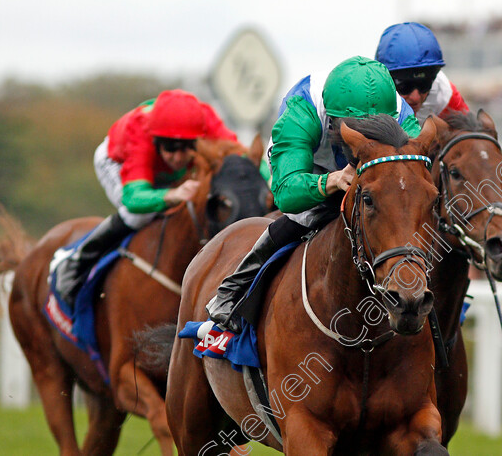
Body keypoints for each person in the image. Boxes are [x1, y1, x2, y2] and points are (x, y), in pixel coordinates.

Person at [208, 56, 420, 333]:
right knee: (307, 215)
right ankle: (232, 292)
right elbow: (285, 193)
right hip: (312, 165)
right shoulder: (301, 110)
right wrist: (330, 181)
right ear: (332, 121)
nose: (360, 145)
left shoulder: (402, 116)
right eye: (354, 134)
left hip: (373, 171)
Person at [54, 89, 237, 307]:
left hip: (162, 170)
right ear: (156, 140)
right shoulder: (140, 132)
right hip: (117, 161)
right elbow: (133, 198)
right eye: (170, 148)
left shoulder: (208, 120)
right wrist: (172, 194)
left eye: (186, 148)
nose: (178, 157)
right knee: (140, 214)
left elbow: (243, 157)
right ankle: (77, 262)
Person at [375, 22, 470, 121]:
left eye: (425, 85)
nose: (415, 98)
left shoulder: (445, 93)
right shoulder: (368, 95)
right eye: (404, 86)